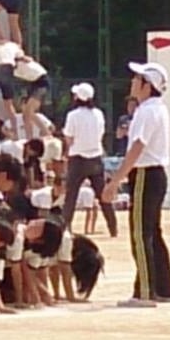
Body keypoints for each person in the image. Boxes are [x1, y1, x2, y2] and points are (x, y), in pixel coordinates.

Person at [103, 62, 170, 308]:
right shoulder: (158, 108)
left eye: (137, 79)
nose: (133, 82)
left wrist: (115, 180)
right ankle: (164, 288)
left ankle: (145, 292)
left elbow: (137, 147)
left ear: (147, 85)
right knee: (153, 232)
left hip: (145, 174)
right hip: (156, 174)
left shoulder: (146, 111)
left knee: (140, 233)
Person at [62, 83, 117, 238]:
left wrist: (67, 152)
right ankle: (113, 227)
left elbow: (69, 138)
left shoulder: (73, 115)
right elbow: (100, 134)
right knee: (102, 195)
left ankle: (66, 227)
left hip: (78, 159)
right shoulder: (98, 114)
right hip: (95, 157)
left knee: (71, 196)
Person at [0, 41, 27, 131]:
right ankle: (15, 130)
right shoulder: (15, 46)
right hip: (7, 66)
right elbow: (22, 57)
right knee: (8, 104)